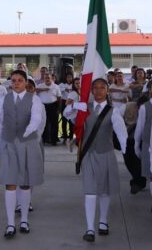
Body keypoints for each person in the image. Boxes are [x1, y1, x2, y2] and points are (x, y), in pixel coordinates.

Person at [64, 78, 127, 243]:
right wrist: (74, 105)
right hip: (89, 155)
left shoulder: (113, 111)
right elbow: (66, 114)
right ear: (91, 91)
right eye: (95, 88)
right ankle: (90, 228)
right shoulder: (86, 108)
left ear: (107, 90)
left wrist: (126, 148)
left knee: (105, 191)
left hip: (106, 154)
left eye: (102, 88)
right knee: (90, 192)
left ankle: (103, 222)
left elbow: (121, 132)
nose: (98, 91)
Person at [0, 70, 44, 238]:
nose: (16, 83)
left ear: (25, 83)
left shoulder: (34, 99)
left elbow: (37, 118)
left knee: (25, 183)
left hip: (27, 144)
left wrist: (30, 128)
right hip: (9, 143)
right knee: (9, 182)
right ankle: (10, 224)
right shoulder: (4, 100)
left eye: (20, 80)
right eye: (14, 80)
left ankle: (24, 220)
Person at [134, 81, 152, 201]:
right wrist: (136, 143)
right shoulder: (145, 107)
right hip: (148, 144)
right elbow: (140, 126)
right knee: (150, 175)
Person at [36, 73, 61, 145]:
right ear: (44, 79)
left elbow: (59, 98)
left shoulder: (56, 86)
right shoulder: (40, 86)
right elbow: (34, 90)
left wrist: (59, 109)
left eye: (48, 78)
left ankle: (54, 140)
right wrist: (43, 89)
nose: (47, 79)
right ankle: (44, 140)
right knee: (43, 123)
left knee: (54, 124)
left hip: (53, 105)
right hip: (43, 106)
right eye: (45, 78)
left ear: (51, 78)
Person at [59, 73, 74, 142]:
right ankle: (64, 136)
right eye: (68, 77)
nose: (69, 79)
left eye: (70, 77)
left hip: (72, 103)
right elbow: (59, 88)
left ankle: (71, 136)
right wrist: (65, 89)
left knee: (71, 120)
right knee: (64, 120)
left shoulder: (73, 85)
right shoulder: (62, 84)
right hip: (64, 103)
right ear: (66, 78)